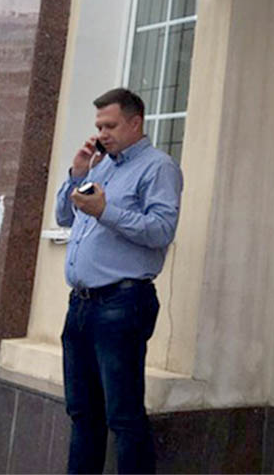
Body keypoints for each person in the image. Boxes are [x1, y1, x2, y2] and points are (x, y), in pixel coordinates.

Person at [56, 87, 183, 474]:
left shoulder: (158, 168)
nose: (102, 134)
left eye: (110, 126)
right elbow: (65, 216)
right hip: (81, 304)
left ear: (135, 122)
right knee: (82, 413)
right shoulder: (101, 166)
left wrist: (106, 211)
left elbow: (161, 230)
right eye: (99, 126)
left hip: (122, 303)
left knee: (124, 416)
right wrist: (77, 174)